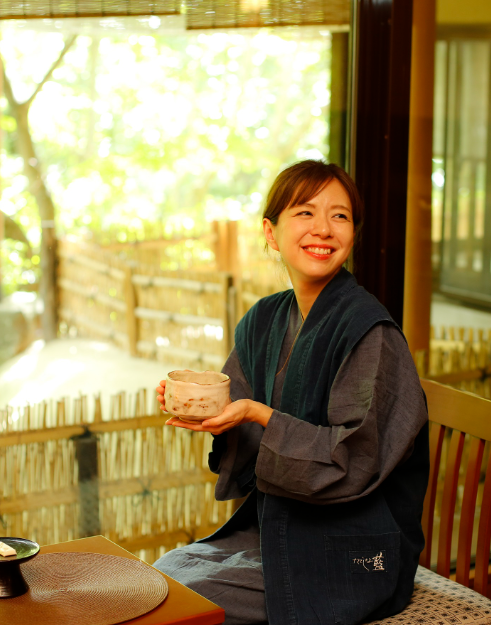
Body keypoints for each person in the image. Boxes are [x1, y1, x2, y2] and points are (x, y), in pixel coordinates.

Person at [153, 160, 430, 625]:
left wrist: (261, 417)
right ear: (271, 230)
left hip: (355, 550)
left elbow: (354, 460)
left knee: (182, 600)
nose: (324, 228)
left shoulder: (369, 331)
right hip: (278, 528)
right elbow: (235, 409)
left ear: (353, 233)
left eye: (340, 216)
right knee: (163, 572)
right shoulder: (264, 319)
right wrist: (208, 413)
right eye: (305, 212)